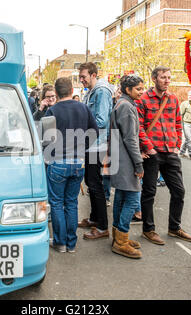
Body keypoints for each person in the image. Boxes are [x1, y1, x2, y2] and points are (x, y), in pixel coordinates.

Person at [138, 66, 191, 245]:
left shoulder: (172, 99)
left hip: (171, 152)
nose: (167, 80)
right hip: (153, 153)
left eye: (169, 77)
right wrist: (150, 148)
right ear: (154, 78)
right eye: (163, 77)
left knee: (179, 191)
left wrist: (177, 145)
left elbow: (178, 123)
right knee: (149, 192)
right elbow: (139, 127)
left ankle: (174, 227)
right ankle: (148, 230)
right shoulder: (143, 100)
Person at [44, 77, 98, 253]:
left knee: (57, 203)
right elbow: (95, 131)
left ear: (57, 93)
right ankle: (71, 244)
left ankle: (60, 243)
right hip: (78, 162)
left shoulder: (52, 111)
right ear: (71, 90)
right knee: (72, 203)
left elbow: (45, 138)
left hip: (58, 162)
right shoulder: (83, 108)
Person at [109, 75, 144, 258]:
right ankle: (121, 240)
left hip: (120, 159)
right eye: (138, 88)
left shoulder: (121, 104)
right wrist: (139, 163)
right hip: (126, 161)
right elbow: (131, 138)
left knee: (121, 197)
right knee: (132, 198)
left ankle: (118, 236)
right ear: (127, 89)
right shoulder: (126, 107)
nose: (141, 91)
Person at [77, 62, 113, 240]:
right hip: (91, 144)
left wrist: (79, 127)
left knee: (95, 185)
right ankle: (94, 218)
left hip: (97, 145)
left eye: (83, 76)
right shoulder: (92, 91)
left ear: (93, 75)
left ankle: (103, 227)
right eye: (80, 76)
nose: (81, 79)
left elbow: (100, 120)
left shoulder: (101, 91)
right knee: (91, 182)